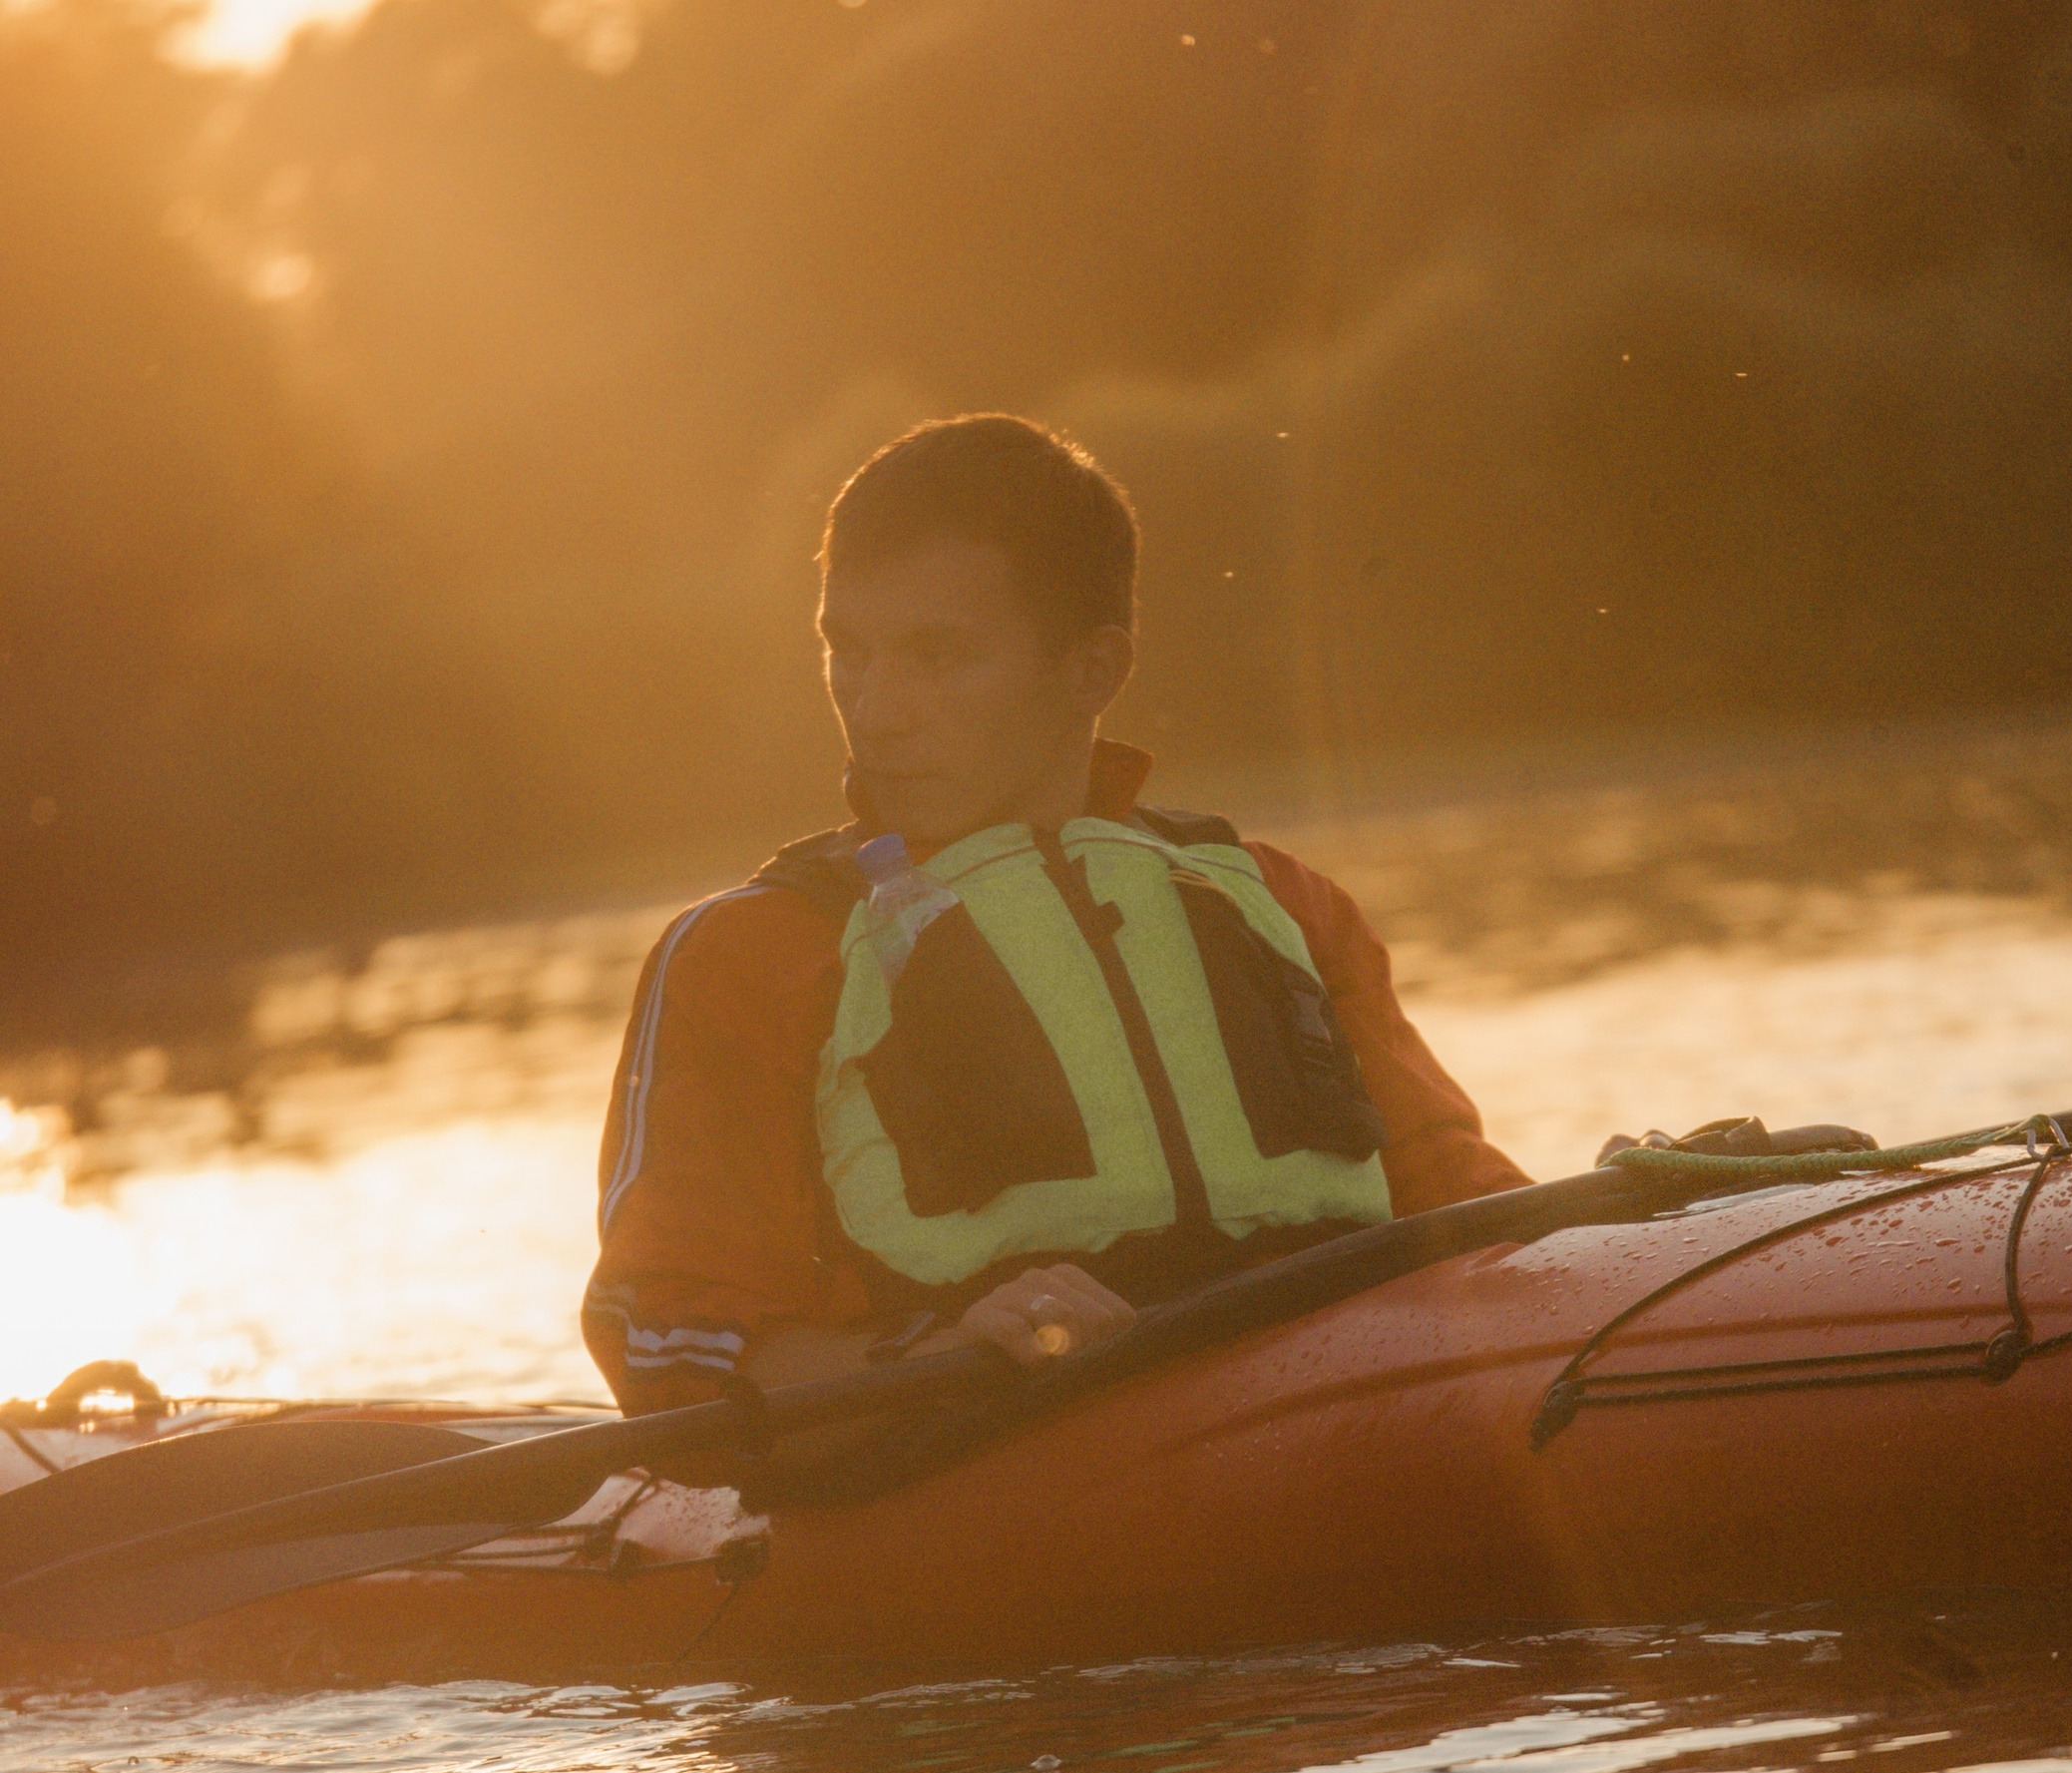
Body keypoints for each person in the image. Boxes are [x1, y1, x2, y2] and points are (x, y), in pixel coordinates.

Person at [582, 414, 1531, 1413]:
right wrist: (941, 1354)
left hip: (1331, 1412)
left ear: (1093, 671)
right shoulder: (746, 956)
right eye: (847, 651)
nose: (875, 708)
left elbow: (1468, 1211)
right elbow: (668, 1345)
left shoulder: (1284, 903)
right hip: (962, 1459)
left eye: (937, 657)